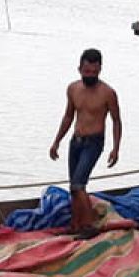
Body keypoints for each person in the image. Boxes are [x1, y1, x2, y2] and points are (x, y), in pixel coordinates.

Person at [49, 48, 122, 237]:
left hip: (94, 142)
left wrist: (116, 148)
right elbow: (68, 116)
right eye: (87, 71)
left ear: (100, 70)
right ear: (79, 69)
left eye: (94, 72)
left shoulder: (108, 93)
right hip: (76, 141)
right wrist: (56, 141)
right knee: (73, 187)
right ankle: (75, 225)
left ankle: (89, 226)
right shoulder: (73, 89)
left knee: (78, 185)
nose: (90, 75)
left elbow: (116, 120)